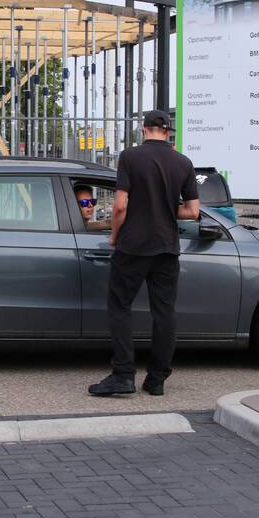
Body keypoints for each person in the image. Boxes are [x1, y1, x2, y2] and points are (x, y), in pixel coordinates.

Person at [88, 109, 200, 398]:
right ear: (168, 132)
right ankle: (157, 379)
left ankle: (123, 375)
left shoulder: (130, 156)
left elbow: (120, 206)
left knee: (120, 307)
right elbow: (192, 211)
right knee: (164, 312)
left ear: (144, 128)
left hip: (134, 246)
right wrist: (164, 207)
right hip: (167, 247)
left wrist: (114, 236)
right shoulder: (183, 162)